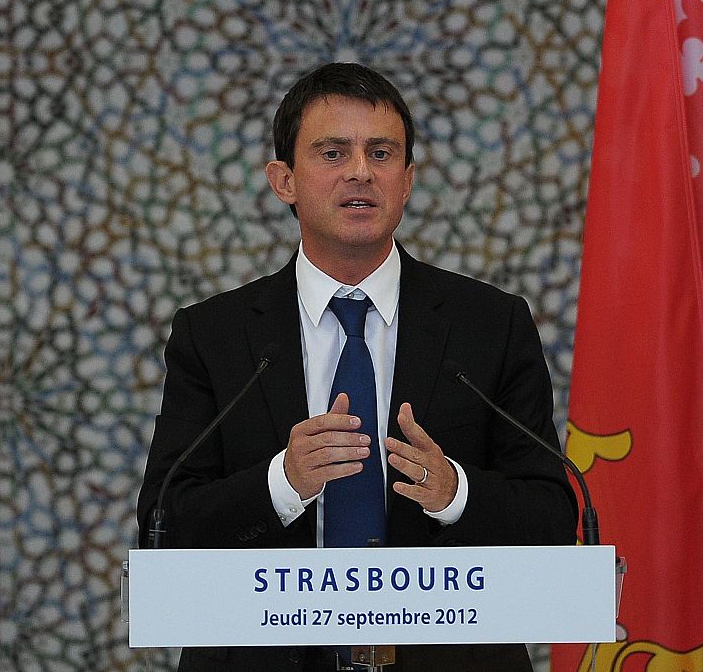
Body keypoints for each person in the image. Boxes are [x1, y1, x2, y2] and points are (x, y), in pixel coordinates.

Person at [137, 62, 577, 671]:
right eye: (332, 152)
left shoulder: (490, 325)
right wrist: (283, 481)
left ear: (408, 179)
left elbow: (554, 518)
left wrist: (456, 493)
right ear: (283, 180)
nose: (360, 172)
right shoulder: (215, 335)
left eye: (381, 152)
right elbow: (164, 524)